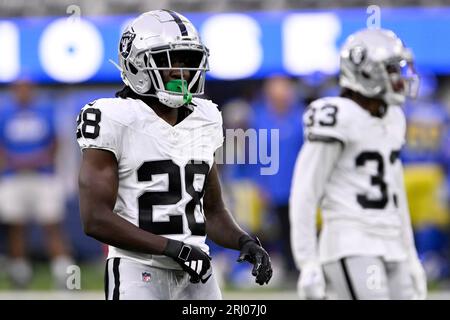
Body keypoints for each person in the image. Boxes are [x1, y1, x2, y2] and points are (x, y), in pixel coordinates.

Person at [77, 10, 272, 300]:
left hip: (197, 274)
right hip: (138, 271)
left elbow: (212, 211)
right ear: (137, 64)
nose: (181, 71)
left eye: (187, 61)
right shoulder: (112, 117)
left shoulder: (205, 117)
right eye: (169, 61)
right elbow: (95, 218)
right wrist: (172, 248)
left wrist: (244, 241)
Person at [289, 28, 427, 300]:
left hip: (392, 241)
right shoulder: (336, 115)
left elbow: (396, 194)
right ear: (366, 71)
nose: (401, 79)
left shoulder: (394, 118)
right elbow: (305, 192)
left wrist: (411, 256)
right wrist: (307, 261)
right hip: (351, 241)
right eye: (392, 70)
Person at [0, 79, 73, 289]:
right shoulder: (4, 112)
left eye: (26, 88)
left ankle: (65, 275)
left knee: (52, 225)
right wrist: (14, 161)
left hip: (44, 175)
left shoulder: (46, 110)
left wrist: (39, 159)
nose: (22, 92)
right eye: (18, 88)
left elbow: (56, 140)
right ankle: (20, 274)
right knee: (16, 225)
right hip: (13, 176)